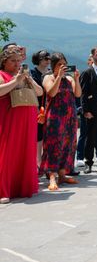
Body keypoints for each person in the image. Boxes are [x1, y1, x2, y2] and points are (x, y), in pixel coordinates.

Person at [0, 47, 43, 202]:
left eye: (19, 61)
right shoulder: (1, 74)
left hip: (28, 118)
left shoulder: (25, 76)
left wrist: (29, 80)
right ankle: (4, 190)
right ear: (4, 62)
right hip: (9, 118)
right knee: (7, 152)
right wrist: (16, 80)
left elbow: (40, 93)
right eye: (13, 61)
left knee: (26, 151)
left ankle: (23, 186)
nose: (17, 64)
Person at [41, 53, 81, 190]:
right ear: (53, 66)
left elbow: (78, 94)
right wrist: (58, 77)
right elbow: (51, 93)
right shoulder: (48, 77)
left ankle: (63, 174)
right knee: (54, 146)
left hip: (70, 117)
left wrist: (76, 79)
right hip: (55, 117)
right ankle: (52, 176)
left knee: (68, 146)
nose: (62, 66)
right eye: (59, 64)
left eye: (64, 63)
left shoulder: (69, 78)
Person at [31, 49, 50, 167]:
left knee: (47, 136)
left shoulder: (50, 73)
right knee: (38, 136)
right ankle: (37, 162)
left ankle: (45, 162)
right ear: (39, 60)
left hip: (49, 106)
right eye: (45, 58)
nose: (48, 60)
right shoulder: (33, 73)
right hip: (37, 107)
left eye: (49, 58)